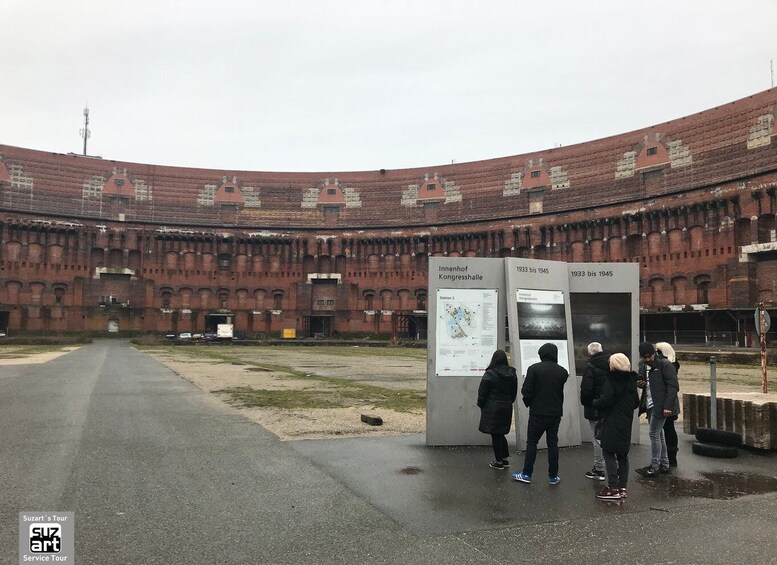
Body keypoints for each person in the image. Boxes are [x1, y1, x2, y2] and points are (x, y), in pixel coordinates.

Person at [512, 343, 569, 485]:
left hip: (537, 412)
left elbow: (526, 390)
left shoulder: (534, 369)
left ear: (541, 354)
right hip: (555, 413)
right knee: (552, 444)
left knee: (532, 443)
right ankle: (553, 476)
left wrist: (529, 402)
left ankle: (526, 474)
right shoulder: (562, 372)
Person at [592, 353, 640, 500]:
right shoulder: (632, 380)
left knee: (608, 452)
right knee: (623, 454)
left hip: (612, 419)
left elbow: (606, 398)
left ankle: (613, 488)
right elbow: (636, 402)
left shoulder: (611, 379)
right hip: (626, 420)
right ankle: (622, 486)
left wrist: (595, 403)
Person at [635, 342, 679, 478]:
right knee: (658, 434)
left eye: (650, 356)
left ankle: (654, 466)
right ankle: (664, 464)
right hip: (650, 403)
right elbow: (644, 381)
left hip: (660, 405)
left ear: (654, 353)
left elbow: (673, 386)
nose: (648, 359)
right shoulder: (643, 365)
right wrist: (640, 383)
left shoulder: (665, 365)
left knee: (654, 434)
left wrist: (667, 406)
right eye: (645, 357)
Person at [477, 350, 518, 470]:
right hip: (506, 406)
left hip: (492, 407)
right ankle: (504, 459)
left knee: (495, 434)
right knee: (501, 433)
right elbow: (513, 392)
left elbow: (482, 392)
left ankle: (499, 461)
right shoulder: (512, 374)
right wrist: (509, 402)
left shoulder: (490, 374)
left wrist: (481, 404)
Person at [580, 342, 610, 481]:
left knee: (597, 439)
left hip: (595, 408)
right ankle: (613, 466)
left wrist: (587, 403)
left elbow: (586, 390)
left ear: (590, 353)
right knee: (609, 437)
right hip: (609, 407)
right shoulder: (611, 364)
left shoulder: (590, 367)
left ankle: (599, 470)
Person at [655, 342, 680, 467]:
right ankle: (668, 456)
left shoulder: (669, 366)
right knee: (667, 428)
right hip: (668, 399)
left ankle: (670, 456)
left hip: (667, 400)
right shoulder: (671, 364)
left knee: (667, 428)